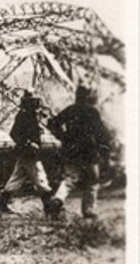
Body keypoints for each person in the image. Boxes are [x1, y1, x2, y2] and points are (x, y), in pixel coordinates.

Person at [47, 84, 112, 219]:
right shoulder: (92, 111)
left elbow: (52, 123)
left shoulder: (70, 110)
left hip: (71, 149)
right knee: (92, 181)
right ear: (88, 96)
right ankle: (88, 210)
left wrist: (62, 136)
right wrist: (104, 146)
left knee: (69, 179)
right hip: (89, 150)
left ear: (76, 96)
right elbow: (100, 132)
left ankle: (57, 200)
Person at [0, 91, 56, 215]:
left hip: (24, 153)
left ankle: (2, 205)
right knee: (41, 179)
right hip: (30, 153)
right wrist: (29, 143)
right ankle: (49, 208)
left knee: (15, 180)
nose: (37, 104)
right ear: (29, 103)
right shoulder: (25, 116)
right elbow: (14, 134)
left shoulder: (27, 115)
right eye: (35, 102)